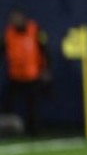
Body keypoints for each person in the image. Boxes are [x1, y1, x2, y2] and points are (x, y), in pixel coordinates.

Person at [1, 8, 51, 137]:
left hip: (32, 75)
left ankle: (34, 131)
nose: (15, 21)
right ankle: (7, 130)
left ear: (23, 18)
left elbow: (45, 50)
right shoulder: (8, 34)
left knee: (32, 105)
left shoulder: (35, 30)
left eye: (17, 17)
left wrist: (46, 69)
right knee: (8, 104)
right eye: (13, 19)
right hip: (15, 75)